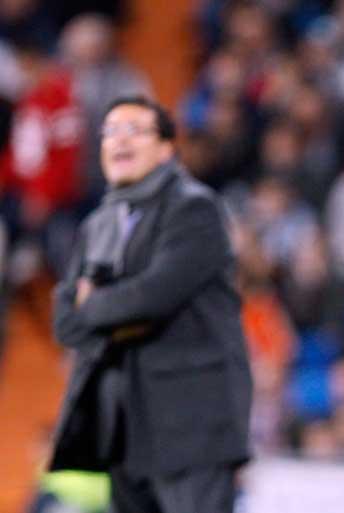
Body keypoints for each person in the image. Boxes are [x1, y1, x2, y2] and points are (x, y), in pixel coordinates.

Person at [49, 96, 252, 513]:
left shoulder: (194, 208)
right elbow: (65, 321)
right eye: (110, 132)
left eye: (134, 130)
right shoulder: (97, 223)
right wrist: (112, 312)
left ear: (165, 149)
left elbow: (152, 297)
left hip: (191, 425)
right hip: (124, 425)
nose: (120, 140)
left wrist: (96, 306)